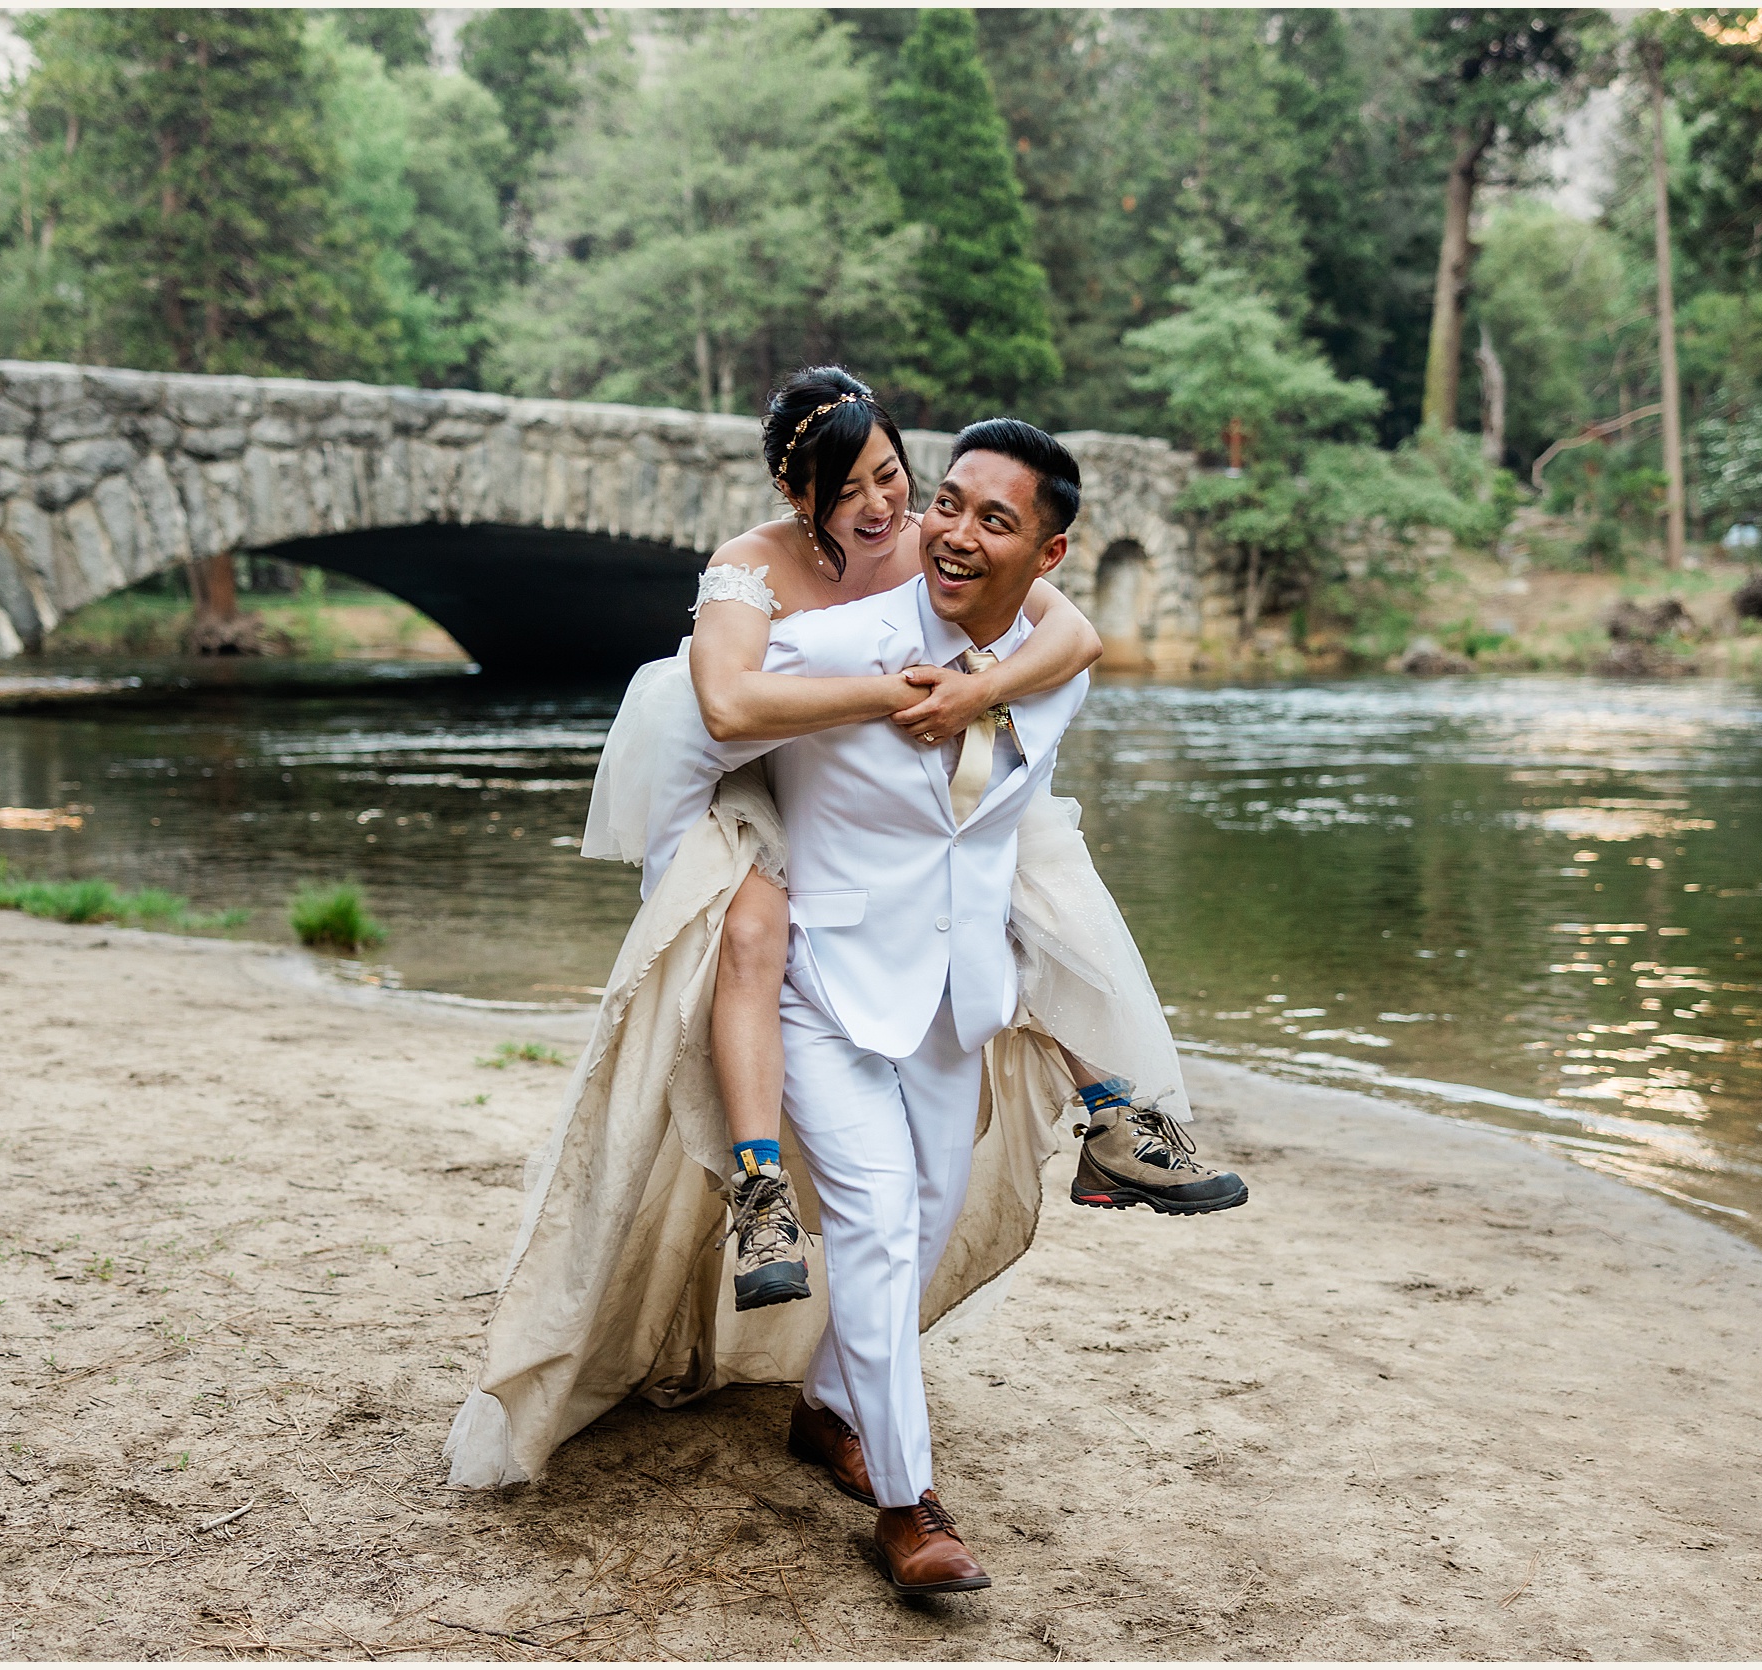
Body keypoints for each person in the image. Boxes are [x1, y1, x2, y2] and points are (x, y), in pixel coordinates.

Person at [447, 397, 1244, 1550]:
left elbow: (1063, 651)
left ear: (1048, 552)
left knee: (923, 1213)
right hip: (818, 980)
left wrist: (979, 685)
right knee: (872, 1214)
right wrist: (719, 879)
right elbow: (703, 709)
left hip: (954, 994)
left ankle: (826, 1404)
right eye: (945, 506)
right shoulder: (828, 642)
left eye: (985, 516)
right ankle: (908, 1506)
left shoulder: (1044, 661)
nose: (947, 529)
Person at [598, 369, 1241, 1316]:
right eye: (843, 490)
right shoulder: (752, 562)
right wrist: (898, 691)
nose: (877, 506)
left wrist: (982, 690)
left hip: (874, 784)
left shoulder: (925, 544)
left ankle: (1114, 1113)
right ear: (793, 493)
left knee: (1024, 851)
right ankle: (759, 1190)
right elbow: (729, 707)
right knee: (753, 929)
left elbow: (1075, 634)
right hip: (751, 782)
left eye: (889, 475)